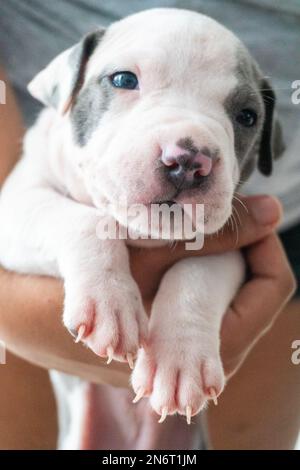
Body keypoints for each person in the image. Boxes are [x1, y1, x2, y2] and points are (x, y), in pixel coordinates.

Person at [0, 0, 298, 449]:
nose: (187, 158)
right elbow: (12, 225)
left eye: (244, 116)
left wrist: (188, 322)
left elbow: (222, 258)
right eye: (125, 81)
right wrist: (85, 243)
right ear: (70, 84)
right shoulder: (46, 161)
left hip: (289, 223)